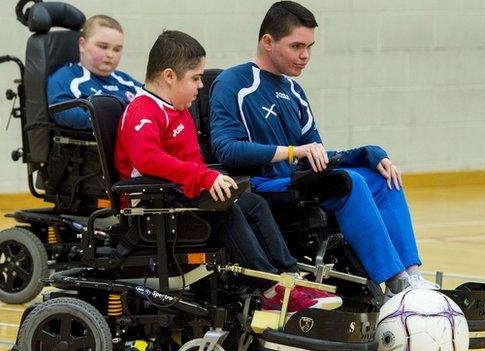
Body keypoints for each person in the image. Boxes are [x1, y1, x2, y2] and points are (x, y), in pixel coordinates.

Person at [209, 1, 431, 300]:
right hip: (263, 186)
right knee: (348, 183)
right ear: (268, 42)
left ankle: (412, 275)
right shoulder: (233, 83)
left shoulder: (293, 92)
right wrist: (290, 152)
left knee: (383, 177)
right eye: (297, 46)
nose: (305, 56)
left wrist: (369, 153)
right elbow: (226, 150)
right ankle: (395, 283)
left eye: (310, 47)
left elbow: (316, 154)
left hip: (299, 182)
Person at [114, 30, 342, 312]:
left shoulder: (179, 109)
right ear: (169, 76)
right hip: (153, 207)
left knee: (254, 203)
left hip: (179, 196)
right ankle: (270, 290)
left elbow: (191, 164)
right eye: (195, 78)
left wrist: (211, 178)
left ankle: (289, 277)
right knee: (225, 210)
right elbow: (148, 159)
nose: (200, 86)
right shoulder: (142, 110)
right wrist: (203, 177)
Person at [47, 15, 142, 129]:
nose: (110, 55)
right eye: (103, 46)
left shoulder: (126, 81)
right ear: (82, 45)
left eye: (117, 49)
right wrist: (122, 119)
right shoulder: (65, 77)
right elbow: (62, 113)